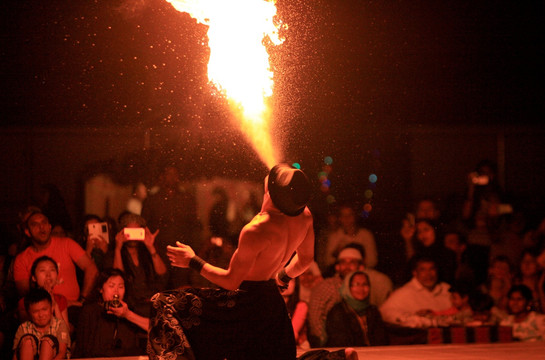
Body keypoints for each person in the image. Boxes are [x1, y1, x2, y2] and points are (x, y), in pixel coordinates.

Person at [147, 164, 315, 360]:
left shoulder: (258, 229)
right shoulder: (304, 215)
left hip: (242, 303)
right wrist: (282, 277)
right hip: (272, 305)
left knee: (162, 302)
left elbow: (231, 282)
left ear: (270, 189)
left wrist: (192, 261)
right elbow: (305, 260)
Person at [308, 243, 392, 347]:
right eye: (343, 262)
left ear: (361, 267)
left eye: (352, 262)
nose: (347, 266)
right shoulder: (325, 287)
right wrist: (323, 344)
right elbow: (315, 321)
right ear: (337, 267)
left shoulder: (368, 289)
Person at [13, 211, 98, 306]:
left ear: (50, 227)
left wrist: (82, 300)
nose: (41, 227)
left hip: (73, 307)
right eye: (35, 225)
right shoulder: (21, 259)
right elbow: (24, 294)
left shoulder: (67, 244)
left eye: (44, 223)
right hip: (42, 312)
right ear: (28, 232)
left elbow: (91, 269)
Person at [141, 165, 201, 288]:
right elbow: (144, 224)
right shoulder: (152, 199)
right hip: (159, 249)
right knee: (160, 284)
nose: (172, 178)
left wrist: (195, 247)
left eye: (175, 174)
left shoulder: (186, 199)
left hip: (181, 249)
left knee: (181, 286)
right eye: (169, 174)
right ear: (162, 177)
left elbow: (194, 224)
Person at [72, 268, 149, 358]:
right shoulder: (90, 311)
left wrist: (127, 315)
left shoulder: (130, 310)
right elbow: (82, 348)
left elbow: (155, 328)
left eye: (120, 287)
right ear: (101, 289)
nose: (116, 291)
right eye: (111, 286)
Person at [113, 213, 167, 316]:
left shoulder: (146, 253)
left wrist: (151, 247)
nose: (133, 237)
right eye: (129, 232)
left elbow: (163, 274)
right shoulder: (116, 255)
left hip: (152, 304)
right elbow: (117, 276)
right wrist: (117, 248)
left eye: (137, 232)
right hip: (129, 306)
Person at [379, 256, 452, 328]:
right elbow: (384, 312)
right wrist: (414, 319)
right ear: (415, 273)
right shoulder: (405, 292)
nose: (428, 274)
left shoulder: (446, 289)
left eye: (432, 269)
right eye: (423, 270)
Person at [325, 271, 388, 347]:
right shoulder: (338, 312)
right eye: (356, 284)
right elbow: (341, 343)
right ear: (347, 287)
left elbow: (382, 340)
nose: (361, 288)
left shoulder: (373, 310)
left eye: (365, 284)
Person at [12, 288, 70, 360]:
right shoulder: (23, 328)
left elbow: (62, 353)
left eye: (44, 309)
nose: (41, 315)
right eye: (35, 312)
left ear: (52, 308)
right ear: (28, 313)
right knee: (27, 341)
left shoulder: (59, 325)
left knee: (47, 342)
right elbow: (15, 356)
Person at [17, 256, 70, 330]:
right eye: (42, 270)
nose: (48, 274)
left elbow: (65, 332)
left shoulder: (60, 300)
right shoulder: (25, 302)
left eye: (52, 270)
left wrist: (54, 304)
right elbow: (27, 330)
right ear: (34, 278)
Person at [322, 204, 378, 271]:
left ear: (355, 216)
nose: (347, 218)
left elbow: (372, 261)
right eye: (343, 215)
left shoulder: (366, 235)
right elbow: (328, 262)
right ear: (339, 218)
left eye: (350, 215)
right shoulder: (334, 236)